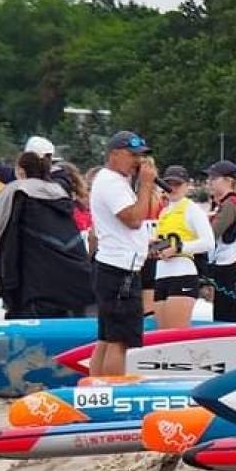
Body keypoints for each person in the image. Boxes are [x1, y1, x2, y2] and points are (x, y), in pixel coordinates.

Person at [88, 131, 159, 376]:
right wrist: (147, 185)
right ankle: (112, 389)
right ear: (114, 155)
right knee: (120, 340)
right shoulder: (110, 182)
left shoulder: (114, 182)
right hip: (120, 269)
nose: (137, 161)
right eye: (133, 155)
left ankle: (96, 387)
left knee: (107, 338)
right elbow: (133, 219)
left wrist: (143, 186)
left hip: (115, 266)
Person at [0, 150, 93, 319]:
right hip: (78, 287)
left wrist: (8, 292)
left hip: (36, 292)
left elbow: (9, 249)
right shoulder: (61, 195)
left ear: (21, 172)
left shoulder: (19, 198)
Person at [150, 165, 213, 329]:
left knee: (176, 334)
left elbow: (208, 242)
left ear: (186, 186)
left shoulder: (192, 209)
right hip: (161, 275)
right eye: (168, 183)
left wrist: (178, 248)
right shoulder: (164, 212)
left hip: (182, 273)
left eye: (177, 184)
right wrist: (154, 247)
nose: (172, 188)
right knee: (162, 336)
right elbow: (167, 242)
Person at [205, 161, 236, 322]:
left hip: (229, 272)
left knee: (224, 322)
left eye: (214, 178)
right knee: (227, 321)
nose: (209, 181)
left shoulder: (230, 205)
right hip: (233, 269)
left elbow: (210, 236)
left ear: (228, 181)